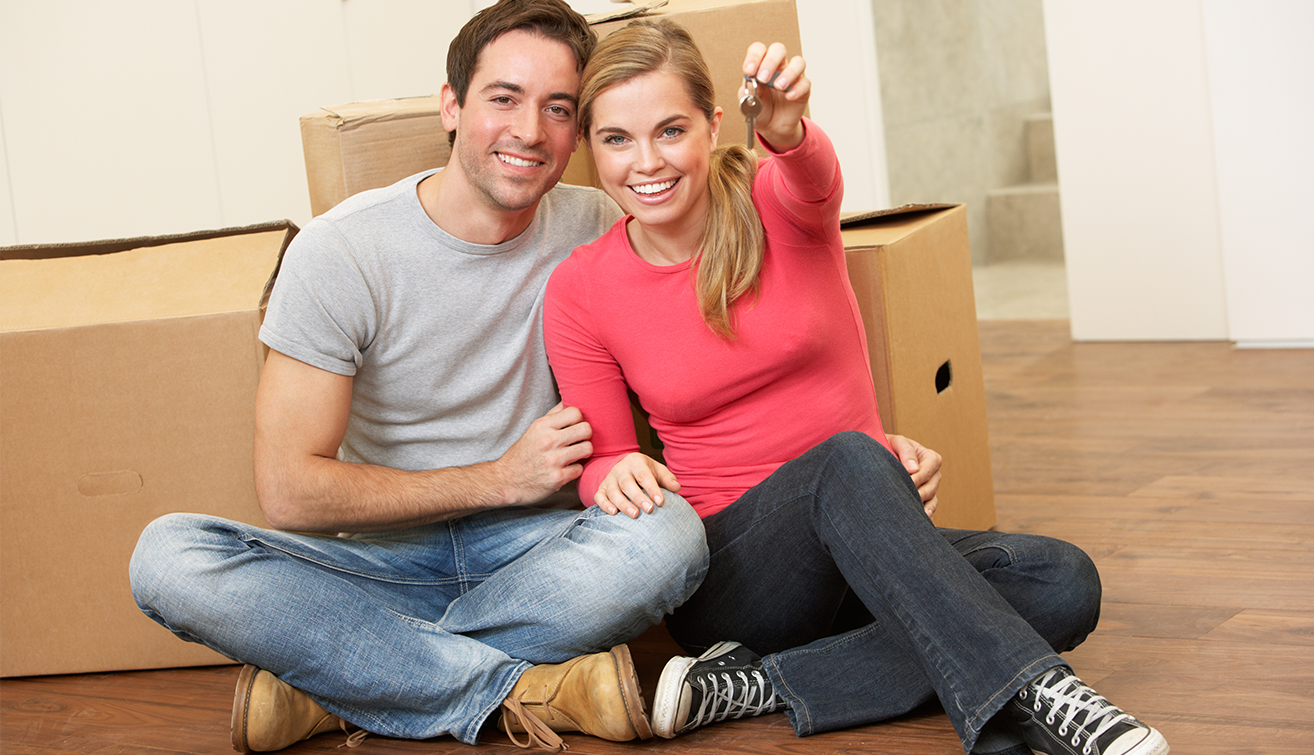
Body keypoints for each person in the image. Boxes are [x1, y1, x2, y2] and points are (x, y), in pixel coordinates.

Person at [543, 18, 1170, 755]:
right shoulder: (580, 289)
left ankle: (762, 683)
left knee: (1063, 580)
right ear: (591, 147)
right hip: (739, 579)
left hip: (869, 546)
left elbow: (813, 174)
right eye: (616, 139)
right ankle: (1046, 696)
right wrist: (612, 473)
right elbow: (603, 458)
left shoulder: (777, 203)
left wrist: (788, 127)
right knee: (847, 459)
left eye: (670, 130)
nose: (646, 162)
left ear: (713, 126)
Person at [127, 2, 709, 753]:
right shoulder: (343, 252)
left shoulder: (601, 222)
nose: (529, 131)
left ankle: (345, 681)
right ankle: (525, 690)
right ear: (451, 105)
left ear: (578, 130)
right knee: (168, 556)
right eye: (503, 98)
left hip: (547, 553)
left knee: (671, 535)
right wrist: (499, 478)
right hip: (378, 559)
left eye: (557, 109)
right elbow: (288, 489)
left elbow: (724, 329)